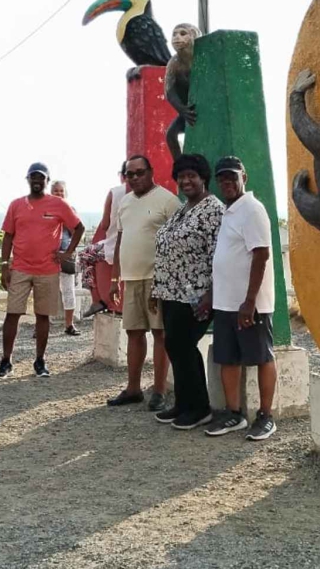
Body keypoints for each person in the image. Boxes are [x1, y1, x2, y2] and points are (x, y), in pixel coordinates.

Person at [206, 156, 279, 441]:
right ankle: (234, 414)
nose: (227, 183)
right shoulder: (230, 211)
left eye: (232, 177)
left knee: (262, 357)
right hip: (225, 302)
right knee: (228, 359)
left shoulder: (252, 209)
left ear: (243, 178)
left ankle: (266, 416)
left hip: (249, 304)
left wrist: (250, 302)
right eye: (222, 178)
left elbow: (261, 255)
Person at [152, 154, 226, 429]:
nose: (186, 181)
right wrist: (157, 288)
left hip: (196, 293)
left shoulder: (213, 210)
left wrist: (211, 294)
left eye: (191, 176)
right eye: (181, 176)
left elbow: (219, 254)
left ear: (203, 178)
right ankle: (183, 403)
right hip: (172, 291)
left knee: (184, 345)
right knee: (174, 345)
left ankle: (199, 408)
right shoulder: (184, 208)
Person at [0, 163, 84, 379]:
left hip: (47, 269)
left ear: (47, 180)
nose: (37, 180)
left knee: (43, 315)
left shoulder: (58, 204)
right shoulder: (16, 205)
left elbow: (78, 227)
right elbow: (8, 235)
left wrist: (68, 252)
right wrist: (5, 265)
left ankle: (40, 361)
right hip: (20, 268)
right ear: (27, 179)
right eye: (33, 177)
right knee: (12, 314)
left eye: (41, 177)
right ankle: (6, 361)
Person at [107, 154, 180, 410]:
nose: (135, 178)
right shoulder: (125, 202)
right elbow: (121, 239)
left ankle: (159, 390)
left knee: (160, 333)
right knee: (134, 332)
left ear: (151, 172)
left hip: (156, 278)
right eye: (130, 174)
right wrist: (114, 277)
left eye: (140, 172)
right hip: (131, 278)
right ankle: (133, 388)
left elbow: (177, 242)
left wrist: (167, 278)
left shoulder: (168, 201)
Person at [82, 164, 128, 317]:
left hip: (114, 245)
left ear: (122, 175)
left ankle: (97, 299)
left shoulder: (114, 192)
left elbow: (105, 224)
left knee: (85, 255)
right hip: (134, 245)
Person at [50, 180, 82, 336]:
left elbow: (76, 232)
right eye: (56, 191)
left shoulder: (71, 210)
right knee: (44, 291)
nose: (59, 193)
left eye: (61, 191)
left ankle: (69, 324)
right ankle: (40, 326)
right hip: (47, 256)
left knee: (68, 290)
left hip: (65, 254)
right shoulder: (45, 210)